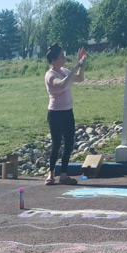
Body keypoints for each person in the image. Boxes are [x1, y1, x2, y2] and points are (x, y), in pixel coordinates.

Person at [44, 43, 87, 185]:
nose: (64, 59)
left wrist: (82, 63)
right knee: (56, 143)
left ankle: (63, 174)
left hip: (68, 111)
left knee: (69, 142)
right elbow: (61, 84)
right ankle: (51, 173)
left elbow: (79, 78)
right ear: (54, 60)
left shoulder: (65, 70)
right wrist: (76, 65)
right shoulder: (50, 74)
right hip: (55, 113)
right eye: (62, 56)